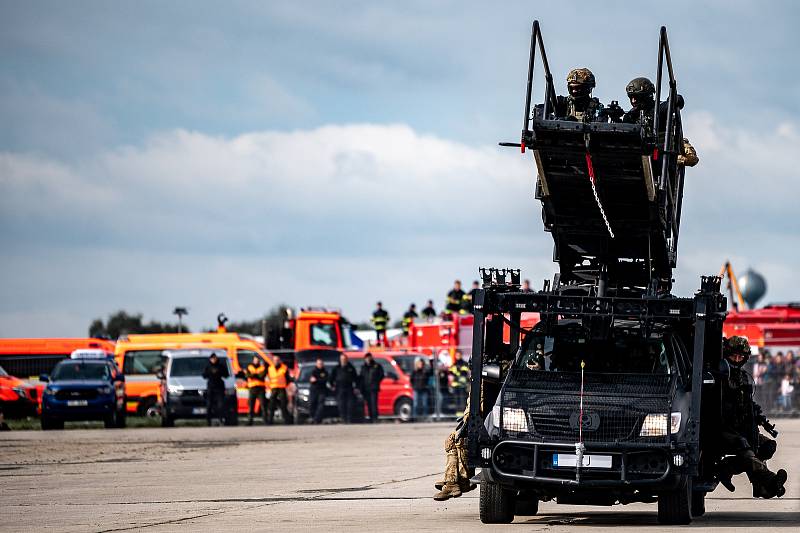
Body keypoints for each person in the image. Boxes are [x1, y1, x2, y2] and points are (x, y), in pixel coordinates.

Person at [716, 337, 787, 498]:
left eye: (741, 357)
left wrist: (760, 418)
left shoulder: (742, 376)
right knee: (747, 450)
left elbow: (748, 402)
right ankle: (769, 480)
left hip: (743, 426)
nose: (737, 360)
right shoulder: (721, 376)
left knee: (768, 446)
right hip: (726, 428)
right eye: (733, 356)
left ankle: (727, 469)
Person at [622, 76, 698, 167]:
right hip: (640, 156)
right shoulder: (630, 116)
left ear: (647, 96)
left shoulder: (660, 108)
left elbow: (678, 101)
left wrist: (673, 99)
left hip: (659, 155)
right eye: (631, 97)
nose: (633, 101)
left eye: (636, 97)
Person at [329, 353, 358, 423]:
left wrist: (356, 387)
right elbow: (331, 378)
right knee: (341, 404)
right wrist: (332, 386)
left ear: (347, 359)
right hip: (340, 388)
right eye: (342, 359)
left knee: (350, 404)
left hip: (349, 388)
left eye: (344, 359)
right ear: (340, 359)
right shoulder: (336, 368)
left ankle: (349, 419)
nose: (343, 360)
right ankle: (343, 418)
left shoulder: (351, 368)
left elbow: (356, 378)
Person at [202, 352, 229, 426]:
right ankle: (208, 421)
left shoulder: (221, 366)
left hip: (219, 388)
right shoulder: (208, 366)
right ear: (210, 359)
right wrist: (210, 373)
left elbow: (226, 375)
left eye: (215, 358)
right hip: (211, 388)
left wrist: (219, 372)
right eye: (212, 358)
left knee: (220, 405)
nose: (213, 360)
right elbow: (204, 375)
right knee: (209, 405)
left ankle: (221, 420)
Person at [267, 356, 293, 425]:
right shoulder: (270, 368)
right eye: (275, 360)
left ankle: (287, 421)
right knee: (272, 405)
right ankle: (270, 421)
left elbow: (288, 378)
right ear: (273, 361)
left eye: (277, 360)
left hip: (282, 388)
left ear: (279, 360)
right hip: (274, 388)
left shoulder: (284, 367)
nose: (276, 361)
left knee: (283, 405)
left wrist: (286, 384)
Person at [360, 353, 384, 423]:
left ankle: (375, 418)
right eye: (366, 358)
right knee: (369, 403)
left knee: (374, 403)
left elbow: (381, 375)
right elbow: (361, 377)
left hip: (374, 388)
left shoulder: (376, 366)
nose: (368, 359)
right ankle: (370, 418)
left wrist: (376, 382)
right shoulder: (363, 367)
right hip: (366, 388)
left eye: (369, 357)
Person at [245, 355, 268, 425]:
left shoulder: (262, 367)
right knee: (251, 405)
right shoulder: (249, 367)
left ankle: (265, 421)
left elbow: (262, 376)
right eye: (255, 360)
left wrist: (253, 375)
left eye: (257, 360)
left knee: (263, 405)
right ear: (253, 360)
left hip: (261, 388)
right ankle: (250, 421)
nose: (256, 361)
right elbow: (247, 375)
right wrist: (255, 375)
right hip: (252, 388)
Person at [308, 357, 329, 424]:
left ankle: (317, 419)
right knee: (312, 404)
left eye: (321, 364)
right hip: (314, 391)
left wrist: (317, 380)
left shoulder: (325, 372)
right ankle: (313, 417)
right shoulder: (313, 371)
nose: (320, 365)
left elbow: (325, 380)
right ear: (316, 364)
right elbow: (311, 380)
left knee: (321, 405)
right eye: (319, 363)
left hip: (322, 391)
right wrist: (318, 380)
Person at [449, 351, 470, 417]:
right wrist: (458, 372)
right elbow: (451, 373)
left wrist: (456, 373)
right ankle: (458, 414)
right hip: (455, 385)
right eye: (456, 355)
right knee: (456, 400)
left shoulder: (464, 363)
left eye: (459, 355)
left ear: (461, 355)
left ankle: (463, 414)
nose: (458, 356)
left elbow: (464, 373)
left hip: (462, 385)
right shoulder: (454, 364)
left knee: (463, 399)